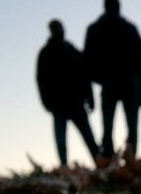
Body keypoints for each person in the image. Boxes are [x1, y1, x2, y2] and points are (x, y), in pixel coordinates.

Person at [83, 0, 141, 160]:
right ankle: (130, 158)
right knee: (131, 124)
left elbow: (87, 61)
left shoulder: (94, 29)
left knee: (108, 125)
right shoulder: (129, 28)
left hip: (110, 83)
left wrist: (99, 79)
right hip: (127, 82)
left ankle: (109, 159)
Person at [36, 20, 97, 168]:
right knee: (61, 139)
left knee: (88, 136)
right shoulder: (46, 53)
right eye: (56, 29)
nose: (60, 31)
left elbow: (84, 74)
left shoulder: (71, 50)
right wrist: (47, 102)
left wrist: (90, 97)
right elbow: (41, 79)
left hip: (76, 101)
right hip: (59, 103)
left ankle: (99, 162)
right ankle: (64, 166)